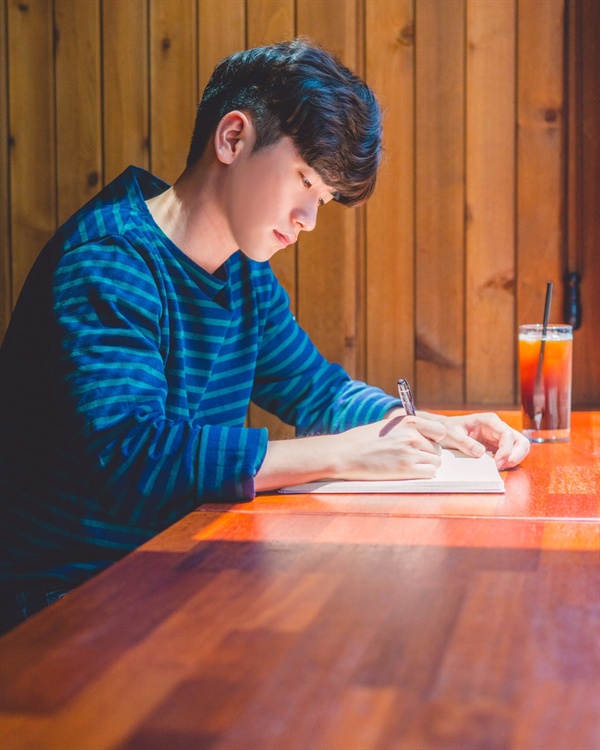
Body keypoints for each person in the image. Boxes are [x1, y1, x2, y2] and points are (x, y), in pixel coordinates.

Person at [0, 38, 529, 632]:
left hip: (170, 580)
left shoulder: (244, 275)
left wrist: (426, 427)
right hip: (61, 608)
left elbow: (319, 393)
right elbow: (131, 458)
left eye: (322, 199)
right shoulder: (110, 261)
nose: (308, 220)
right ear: (233, 139)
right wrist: (343, 454)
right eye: (303, 181)